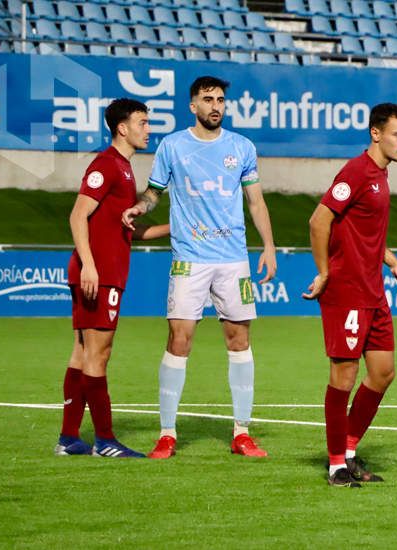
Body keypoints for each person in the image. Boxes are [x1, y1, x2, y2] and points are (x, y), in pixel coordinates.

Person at [122, 76, 277, 459]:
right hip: (189, 258)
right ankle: (167, 433)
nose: (215, 106)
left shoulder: (242, 147)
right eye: (207, 100)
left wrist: (269, 246)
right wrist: (140, 207)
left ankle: (241, 433)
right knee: (179, 339)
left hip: (233, 259)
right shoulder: (172, 146)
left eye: (221, 100)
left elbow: (255, 202)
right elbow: (154, 192)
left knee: (240, 341)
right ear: (193, 106)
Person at [303, 103, 397, 488]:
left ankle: (348, 450)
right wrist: (324, 271)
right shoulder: (356, 171)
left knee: (383, 373)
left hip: (373, 290)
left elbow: (366, 233)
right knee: (344, 376)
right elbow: (320, 219)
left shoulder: (380, 176)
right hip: (347, 291)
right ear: (376, 134)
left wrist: (393, 263)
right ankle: (336, 464)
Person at [57, 98, 169, 458]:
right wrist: (89, 264)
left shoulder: (124, 169)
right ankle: (104, 440)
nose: (147, 129)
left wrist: (178, 228)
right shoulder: (106, 165)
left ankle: (69, 438)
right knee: (99, 354)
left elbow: (129, 231)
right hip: (98, 275)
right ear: (122, 127)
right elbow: (77, 216)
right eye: (142, 122)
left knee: (83, 352)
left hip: (104, 273)